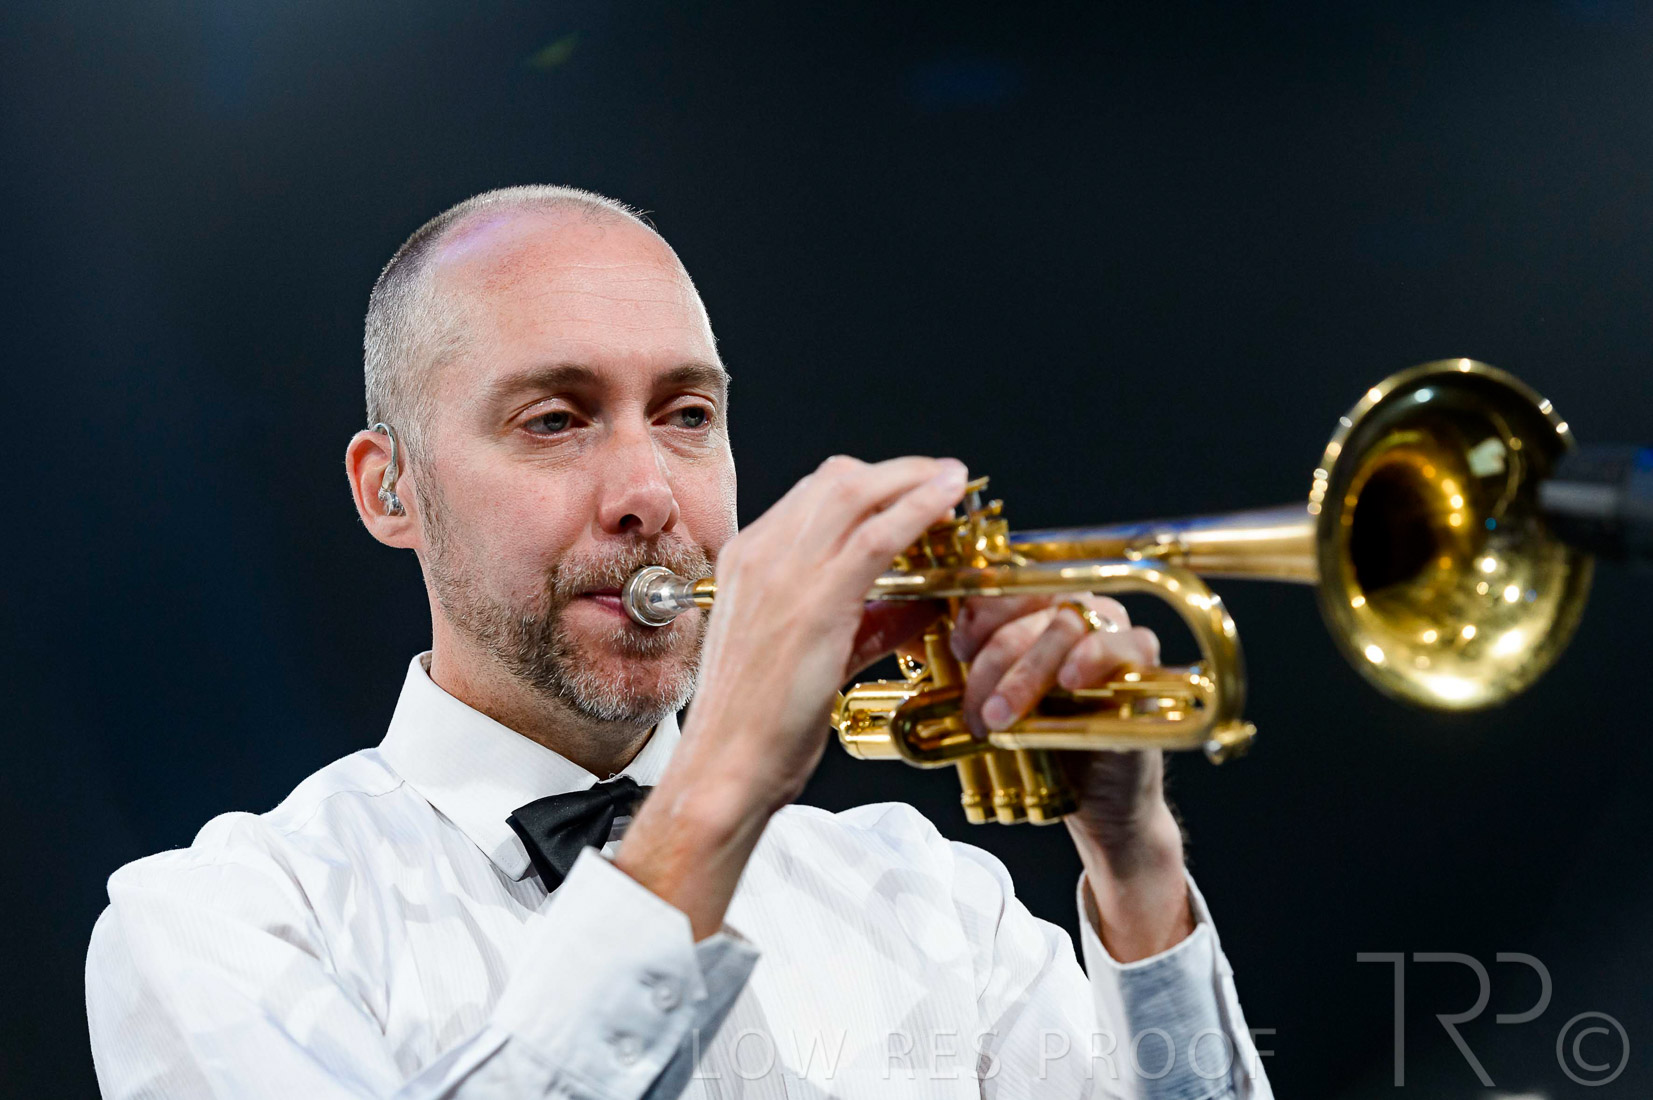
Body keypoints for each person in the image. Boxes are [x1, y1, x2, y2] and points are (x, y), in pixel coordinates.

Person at [85, 185, 1273, 1099]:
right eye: (556, 419)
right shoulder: (219, 921)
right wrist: (718, 792)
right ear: (388, 487)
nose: (650, 492)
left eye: (687, 414)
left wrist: (1136, 872)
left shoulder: (931, 895)